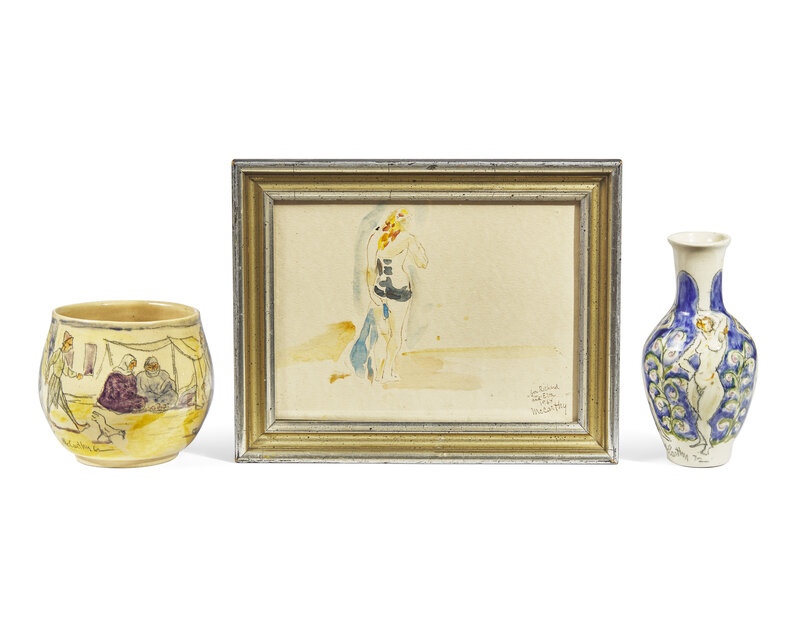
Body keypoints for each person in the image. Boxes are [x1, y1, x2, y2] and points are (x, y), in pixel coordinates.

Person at [352, 209, 428, 382]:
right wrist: (418, 247)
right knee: (396, 334)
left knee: (384, 333)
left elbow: (370, 269)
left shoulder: (375, 237)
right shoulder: (408, 238)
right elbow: (422, 263)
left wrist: (371, 292)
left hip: (379, 288)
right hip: (399, 289)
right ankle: (386, 372)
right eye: (409, 221)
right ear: (404, 222)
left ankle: (383, 370)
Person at [678, 313, 729, 455]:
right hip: (696, 381)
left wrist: (711, 312)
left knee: (703, 419)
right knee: (698, 416)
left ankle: (708, 445)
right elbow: (683, 359)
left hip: (712, 383)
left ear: (712, 324)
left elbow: (724, 320)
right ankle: (701, 440)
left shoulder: (719, 338)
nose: (704, 326)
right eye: (702, 323)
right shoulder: (700, 338)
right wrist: (692, 372)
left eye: (707, 323)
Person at [44, 331, 85, 430]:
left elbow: (66, 371)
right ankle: (76, 425)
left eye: (71, 345)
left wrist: (76, 375)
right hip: (54, 381)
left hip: (57, 382)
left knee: (62, 404)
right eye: (69, 344)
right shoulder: (57, 353)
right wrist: (46, 376)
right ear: (64, 343)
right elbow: (49, 363)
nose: (70, 347)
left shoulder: (62, 356)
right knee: (50, 401)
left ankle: (77, 425)